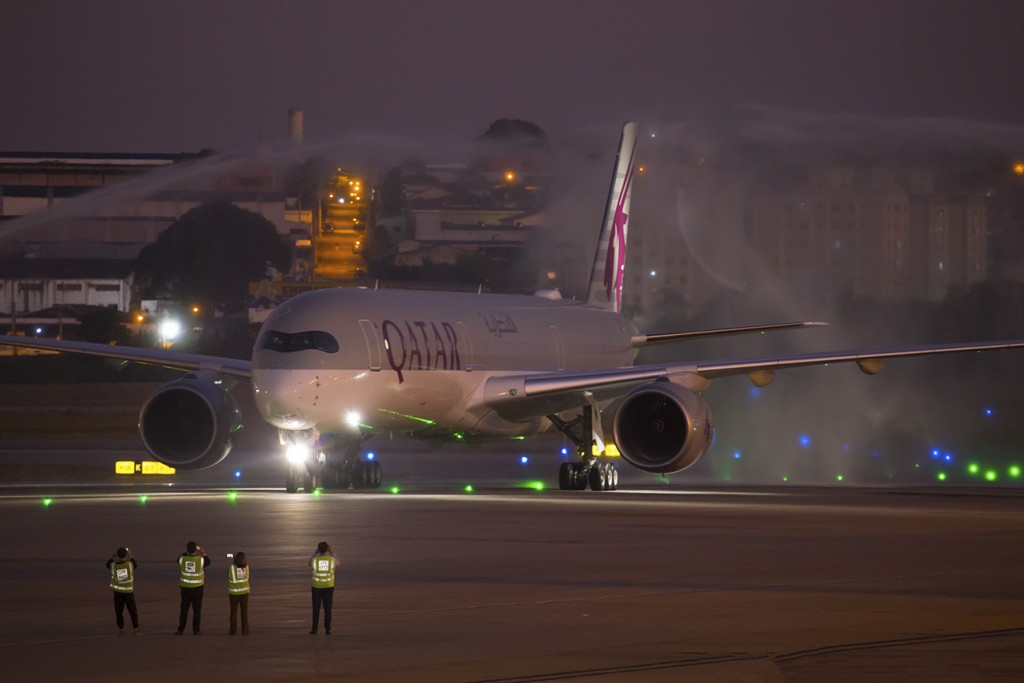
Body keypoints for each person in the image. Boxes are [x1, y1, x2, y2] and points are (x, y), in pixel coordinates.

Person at [176, 541, 209, 635]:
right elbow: (208, 562)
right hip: (198, 588)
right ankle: (196, 630)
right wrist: (203, 552)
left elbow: (178, 559)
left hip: (185, 588)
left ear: (187, 549)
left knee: (184, 610)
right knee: (197, 610)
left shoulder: (183, 559)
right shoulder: (200, 560)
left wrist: (187, 552)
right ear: (195, 549)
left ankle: (180, 629)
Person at [106, 546, 140, 635]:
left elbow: (107, 564)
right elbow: (135, 563)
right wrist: (130, 554)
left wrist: (113, 557)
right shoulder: (129, 565)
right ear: (125, 555)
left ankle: (121, 628)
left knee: (119, 611)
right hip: (128, 592)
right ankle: (135, 628)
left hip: (118, 593)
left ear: (118, 555)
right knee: (132, 610)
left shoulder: (113, 566)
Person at [309, 541, 336, 635]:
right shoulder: (332, 560)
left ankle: (314, 629)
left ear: (318, 549)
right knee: (327, 609)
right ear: (327, 549)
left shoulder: (315, 560)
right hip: (328, 586)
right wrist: (332, 552)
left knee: (316, 609)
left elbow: (309, 562)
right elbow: (339, 563)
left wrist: (315, 553)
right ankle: (328, 629)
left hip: (316, 586)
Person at [227, 551, 250, 635]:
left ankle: (233, 631)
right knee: (244, 613)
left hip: (234, 593)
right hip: (245, 592)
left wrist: (234, 559)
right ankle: (245, 631)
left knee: (233, 613)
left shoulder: (232, 567)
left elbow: (229, 576)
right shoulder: (247, 567)